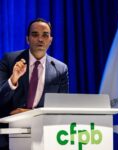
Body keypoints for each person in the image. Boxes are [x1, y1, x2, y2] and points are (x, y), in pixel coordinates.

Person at [0, 18, 69, 149]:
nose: (40, 39)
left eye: (45, 35)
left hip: (43, 136)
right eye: (35, 34)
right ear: (27, 39)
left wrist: (29, 113)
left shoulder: (60, 69)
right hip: (8, 135)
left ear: (50, 40)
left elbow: (61, 109)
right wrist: (13, 80)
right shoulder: (9, 60)